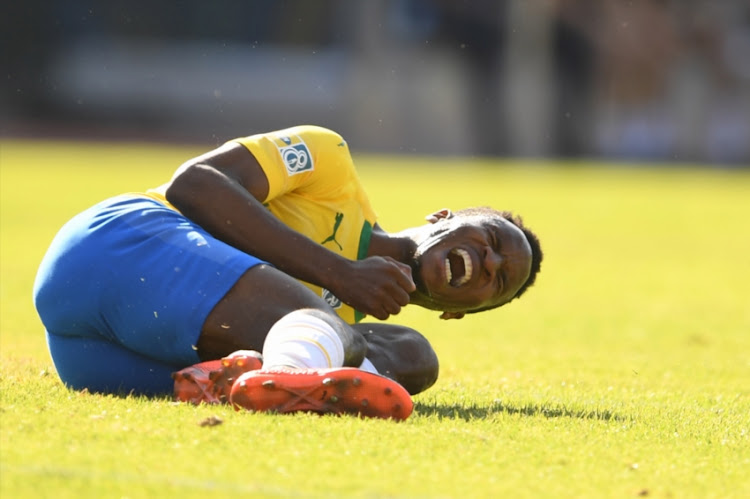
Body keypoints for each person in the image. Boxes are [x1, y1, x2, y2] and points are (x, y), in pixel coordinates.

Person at [33, 125, 542, 420]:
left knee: (412, 354)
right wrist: (337, 272)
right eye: (492, 239)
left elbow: (351, 330)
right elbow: (195, 183)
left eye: (498, 281)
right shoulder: (330, 162)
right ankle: (295, 380)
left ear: (457, 312)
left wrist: (338, 295)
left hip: (105, 360)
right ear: (444, 217)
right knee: (329, 327)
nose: (490, 262)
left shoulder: (332, 327)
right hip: (115, 245)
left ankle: (257, 379)